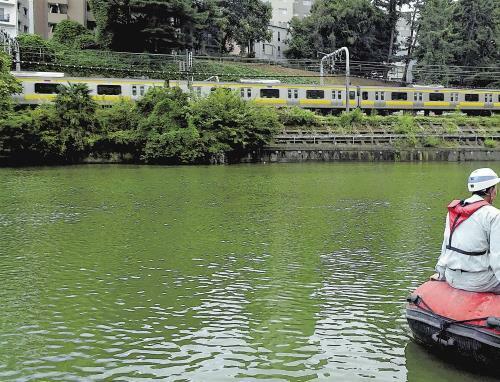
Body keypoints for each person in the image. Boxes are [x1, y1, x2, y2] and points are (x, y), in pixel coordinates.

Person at [431, 168, 500, 293]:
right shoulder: (493, 215)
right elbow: (497, 258)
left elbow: (446, 246)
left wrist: (441, 274)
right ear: (490, 190)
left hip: (452, 278)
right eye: (495, 187)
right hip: (479, 281)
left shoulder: (454, 211)